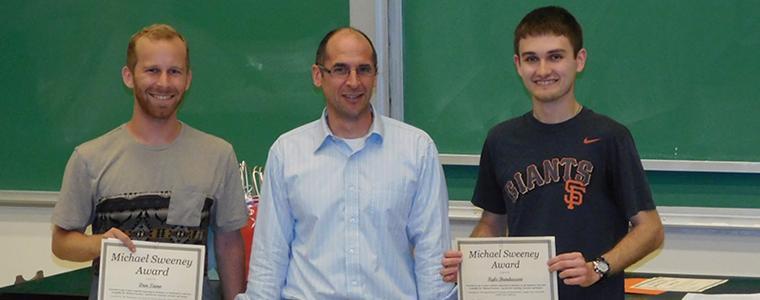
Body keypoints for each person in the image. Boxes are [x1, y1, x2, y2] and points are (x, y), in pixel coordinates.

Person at [440, 6, 665, 299]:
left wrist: (597, 267)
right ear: (518, 64)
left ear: (579, 60)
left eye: (555, 57)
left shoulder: (610, 137)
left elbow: (650, 229)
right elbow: (491, 223)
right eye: (532, 59)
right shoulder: (501, 140)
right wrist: (471, 263)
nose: (543, 70)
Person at [237, 27, 456, 299]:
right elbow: (269, 258)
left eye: (364, 70)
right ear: (318, 76)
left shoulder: (417, 150)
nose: (354, 82)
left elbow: (432, 256)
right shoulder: (287, 152)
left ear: (376, 76)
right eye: (340, 70)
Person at [51, 24, 247, 300]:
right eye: (152, 70)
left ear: (188, 79)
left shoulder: (218, 155)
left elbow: (229, 244)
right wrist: (98, 244)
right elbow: (61, 243)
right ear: (128, 76)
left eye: (174, 71)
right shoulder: (89, 158)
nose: (164, 83)